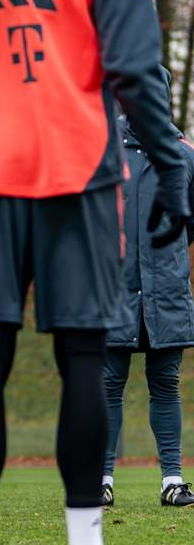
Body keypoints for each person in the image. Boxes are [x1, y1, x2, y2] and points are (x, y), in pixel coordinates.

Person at [0, 0, 191, 544]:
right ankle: (84, 533)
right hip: (81, 173)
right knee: (82, 358)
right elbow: (136, 68)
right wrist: (170, 166)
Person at [101, 68, 194, 508]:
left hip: (167, 291)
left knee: (165, 383)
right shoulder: (100, 150)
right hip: (113, 291)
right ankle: (100, 480)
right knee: (107, 384)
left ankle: (172, 481)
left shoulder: (184, 155)